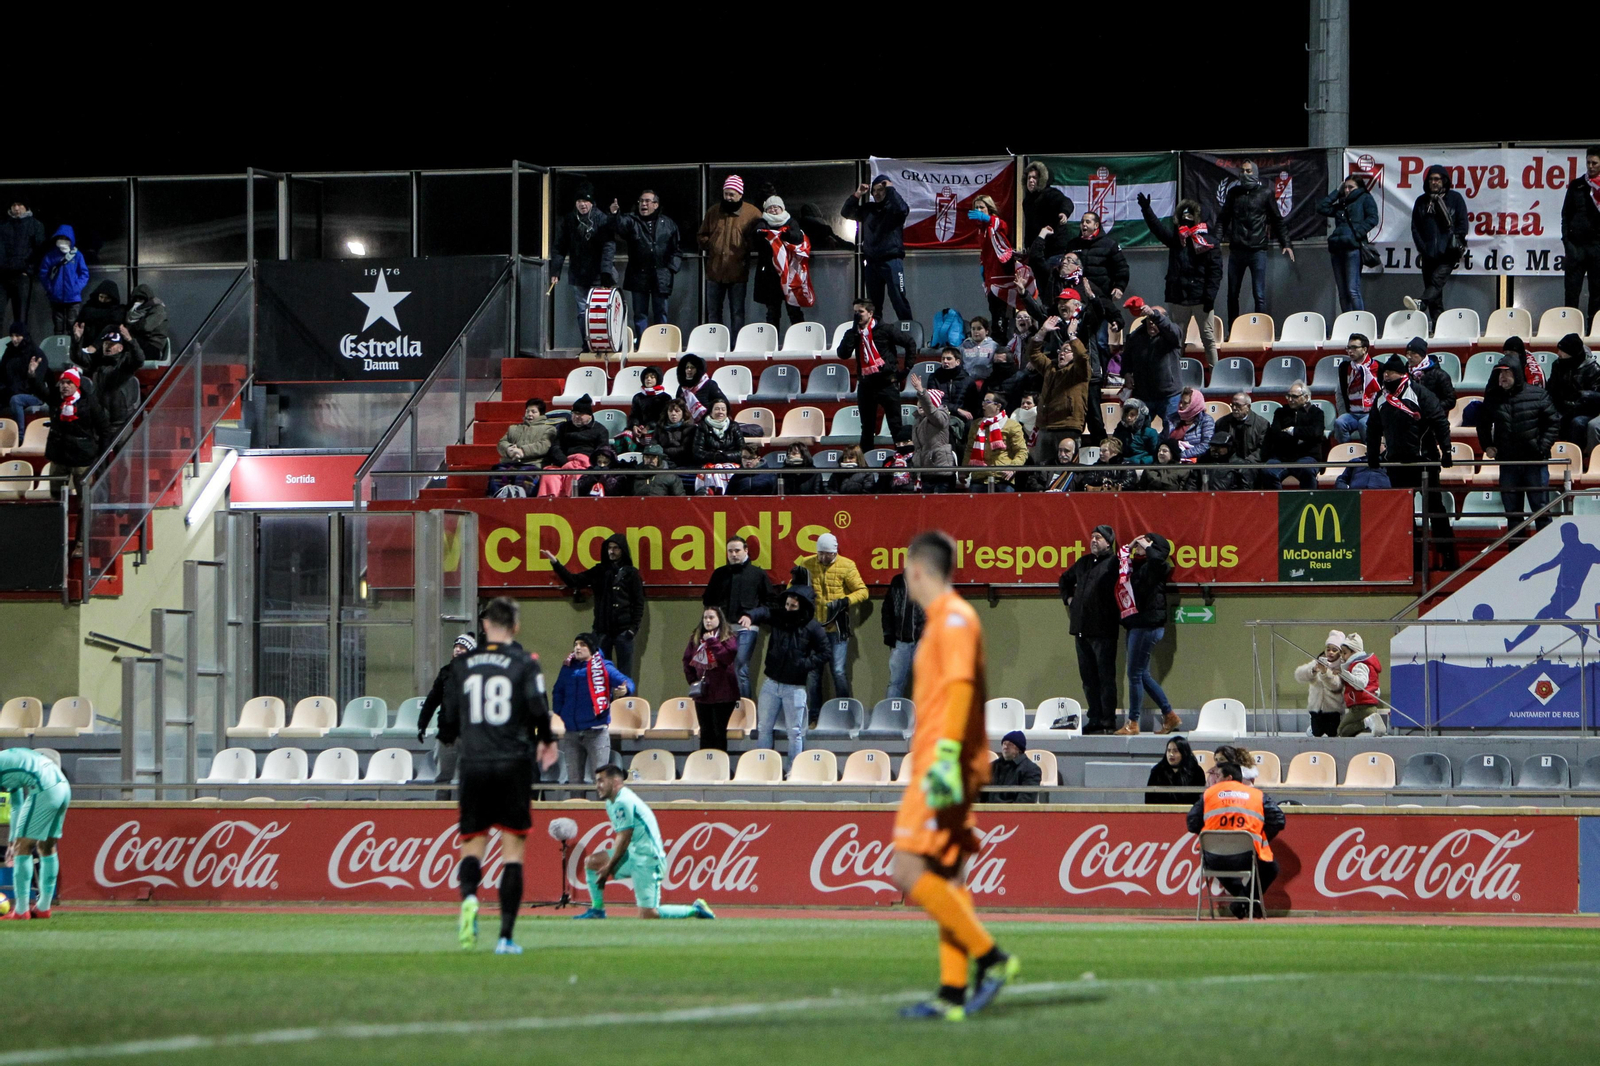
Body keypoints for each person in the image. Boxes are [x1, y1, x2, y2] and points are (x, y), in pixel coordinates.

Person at [891, 531, 1017, 1021]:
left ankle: (992, 958)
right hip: (943, 761)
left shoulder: (956, 619)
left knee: (907, 871)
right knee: (947, 875)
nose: (905, 577)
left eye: (906, 569)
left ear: (919, 570)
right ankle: (952, 992)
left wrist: (943, 758)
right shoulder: (945, 621)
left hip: (945, 766)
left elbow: (962, 690)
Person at [437, 596, 560, 953]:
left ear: (486, 626)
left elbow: (447, 719)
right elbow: (539, 708)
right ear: (516, 627)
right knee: (512, 851)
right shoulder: (525, 662)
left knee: (472, 845)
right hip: (513, 763)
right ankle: (505, 937)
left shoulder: (464, 665)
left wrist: (453, 736)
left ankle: (470, 899)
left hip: (474, 764)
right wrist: (547, 741)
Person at [576, 765, 716, 921]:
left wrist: (609, 867)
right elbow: (621, 837)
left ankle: (695, 909)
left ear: (615, 781)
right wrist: (609, 864)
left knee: (649, 915)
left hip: (648, 859)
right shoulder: (612, 802)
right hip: (632, 855)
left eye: (601, 781)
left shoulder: (623, 801)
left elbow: (625, 836)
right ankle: (597, 910)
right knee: (592, 862)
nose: (597, 786)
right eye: (596, 782)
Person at [1369, 354, 1455, 566]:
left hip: (1424, 462)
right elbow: (1373, 428)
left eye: (1390, 373)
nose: (1386, 376)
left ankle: (1449, 557)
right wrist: (1372, 454)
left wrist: (1446, 452)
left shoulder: (1420, 393)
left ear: (1402, 374)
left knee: (1435, 510)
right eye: (1385, 373)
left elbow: (1440, 422)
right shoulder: (1380, 398)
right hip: (1397, 464)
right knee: (1404, 513)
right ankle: (1413, 559)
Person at [740, 583, 828, 765]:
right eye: (787, 605)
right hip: (771, 682)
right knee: (764, 727)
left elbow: (825, 652)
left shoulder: (813, 627)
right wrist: (749, 616)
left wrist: (804, 664)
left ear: (802, 606)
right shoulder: (779, 617)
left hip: (795, 687)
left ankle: (793, 769)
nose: (788, 609)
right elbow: (763, 612)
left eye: (793, 606)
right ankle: (762, 767)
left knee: (794, 731)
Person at [1187, 760, 1285, 919]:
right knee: (1270, 868)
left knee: (1211, 860)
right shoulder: (1257, 795)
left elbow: (1192, 823)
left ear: (1228, 777)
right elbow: (1279, 819)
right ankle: (1245, 903)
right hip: (1247, 855)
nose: (1215, 779)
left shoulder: (1208, 794)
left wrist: (1215, 836)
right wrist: (1260, 836)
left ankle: (1243, 902)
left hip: (1214, 855)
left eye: (1218, 775)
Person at [1476, 354, 1561, 532]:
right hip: (1508, 463)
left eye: (1507, 373)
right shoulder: (1493, 397)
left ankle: (1545, 552)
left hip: (1534, 462)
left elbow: (1553, 422)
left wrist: (1542, 447)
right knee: (1513, 514)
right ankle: (1516, 554)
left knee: (1541, 510)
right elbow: (1482, 423)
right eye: (1500, 373)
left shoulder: (1538, 394)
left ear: (1517, 373)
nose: (1503, 377)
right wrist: (1487, 445)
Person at [542, 533, 645, 675]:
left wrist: (633, 629)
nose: (611, 551)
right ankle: (604, 698)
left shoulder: (631, 574)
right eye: (609, 548)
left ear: (623, 550)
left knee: (624, 676)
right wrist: (555, 563)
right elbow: (574, 581)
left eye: (616, 548)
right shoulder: (600, 571)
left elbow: (638, 602)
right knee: (600, 673)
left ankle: (625, 698)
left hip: (624, 631)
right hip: (602, 631)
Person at [1139, 194, 1221, 365]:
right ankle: (1176, 375)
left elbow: (1215, 272)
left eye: (1190, 217)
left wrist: (1209, 297)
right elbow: (1157, 229)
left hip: (1201, 300)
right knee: (1176, 340)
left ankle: (1216, 377)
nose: (1186, 221)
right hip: (1178, 298)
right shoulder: (1176, 241)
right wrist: (1147, 210)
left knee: (1208, 339)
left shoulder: (1209, 243)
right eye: (1183, 217)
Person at [553, 632, 635, 791]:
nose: (577, 648)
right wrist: (561, 712)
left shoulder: (604, 667)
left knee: (601, 782)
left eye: (582, 645)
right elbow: (558, 691)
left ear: (591, 648)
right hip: (571, 733)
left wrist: (626, 689)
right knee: (574, 783)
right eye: (576, 644)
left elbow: (627, 682)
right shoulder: (567, 668)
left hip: (596, 732)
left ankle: (602, 814)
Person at [796, 533, 868, 712]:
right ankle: (814, 716)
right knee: (813, 674)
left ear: (834, 552)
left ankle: (843, 713)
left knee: (838, 671)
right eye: (819, 553)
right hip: (814, 629)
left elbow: (862, 591)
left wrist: (845, 601)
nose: (822, 557)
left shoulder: (847, 565)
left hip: (837, 628)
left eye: (826, 554)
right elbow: (793, 586)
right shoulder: (806, 563)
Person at [1114, 533, 1178, 735]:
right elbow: (1121, 567)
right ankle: (1169, 715)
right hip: (1136, 624)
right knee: (1142, 674)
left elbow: (1158, 560)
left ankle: (1133, 722)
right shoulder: (1142, 566)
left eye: (1145, 542)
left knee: (1134, 674)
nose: (1140, 545)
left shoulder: (1159, 566)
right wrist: (1130, 546)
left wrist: (1148, 547)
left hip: (1147, 627)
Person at [1218, 160, 1295, 324]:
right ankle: (1233, 329)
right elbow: (1222, 219)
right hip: (1237, 250)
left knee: (1259, 294)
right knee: (1232, 293)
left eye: (1248, 171)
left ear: (1255, 173)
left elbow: (1277, 220)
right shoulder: (1234, 193)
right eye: (1243, 171)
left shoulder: (1265, 193)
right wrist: (1216, 241)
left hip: (1257, 250)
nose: (1244, 174)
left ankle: (1260, 329)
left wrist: (1286, 244)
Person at [1059, 525, 1120, 734]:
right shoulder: (1083, 562)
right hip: (1081, 629)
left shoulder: (1115, 563)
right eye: (1092, 537)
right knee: (1088, 679)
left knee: (1105, 678)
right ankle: (1094, 718)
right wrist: (1069, 599)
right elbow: (1064, 580)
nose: (1093, 541)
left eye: (1099, 537)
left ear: (1108, 542)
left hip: (1103, 630)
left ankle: (1108, 720)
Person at [703, 536, 780, 699]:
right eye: (730, 551)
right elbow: (708, 600)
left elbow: (771, 604)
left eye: (737, 550)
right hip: (723, 629)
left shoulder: (757, 574)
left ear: (746, 551)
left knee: (739, 668)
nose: (733, 554)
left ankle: (745, 710)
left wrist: (753, 616)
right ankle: (727, 709)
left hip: (747, 629)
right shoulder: (719, 574)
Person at [0, 747, 72, 919]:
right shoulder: (7, 760)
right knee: (47, 847)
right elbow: (17, 804)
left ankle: (21, 910)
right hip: (63, 788)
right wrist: (12, 840)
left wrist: (16, 843)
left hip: (44, 790)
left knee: (23, 848)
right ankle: (43, 907)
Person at [838, 298, 916, 451]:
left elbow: (909, 342)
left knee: (895, 426)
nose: (857, 315)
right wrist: (853, 332)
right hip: (866, 385)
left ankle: (901, 462)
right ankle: (866, 466)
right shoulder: (853, 333)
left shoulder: (886, 329)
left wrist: (906, 369)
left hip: (887, 383)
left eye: (860, 312)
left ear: (870, 313)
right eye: (854, 312)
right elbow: (843, 354)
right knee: (867, 428)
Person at [31, 364, 108, 503]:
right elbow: (39, 390)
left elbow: (103, 428)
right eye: (62, 383)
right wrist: (32, 375)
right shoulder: (55, 399)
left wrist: (100, 453)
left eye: (69, 383)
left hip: (81, 456)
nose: (65, 386)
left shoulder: (89, 402)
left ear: (77, 384)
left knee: (84, 497)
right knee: (56, 495)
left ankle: (84, 522)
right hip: (58, 455)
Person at [1404, 165, 1470, 323]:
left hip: (1449, 253)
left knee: (1436, 281)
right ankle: (1438, 325)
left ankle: (1421, 302)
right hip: (1428, 253)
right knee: (1434, 291)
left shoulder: (1455, 199)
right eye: (1432, 179)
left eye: (1437, 179)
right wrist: (1423, 248)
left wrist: (1454, 240)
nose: (1434, 182)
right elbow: (1415, 227)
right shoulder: (1421, 201)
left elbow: (1462, 225)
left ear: (1444, 181)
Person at [415, 633, 479, 796]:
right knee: (443, 778)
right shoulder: (445, 672)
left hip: (471, 734)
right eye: (456, 647)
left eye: (463, 647)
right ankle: (441, 815)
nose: (458, 650)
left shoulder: (479, 674)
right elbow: (432, 699)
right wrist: (422, 723)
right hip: (447, 735)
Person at [842, 174, 912, 321]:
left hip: (892, 262)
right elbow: (846, 212)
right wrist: (858, 194)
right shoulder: (868, 209)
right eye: (875, 191)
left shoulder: (894, 210)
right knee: (873, 305)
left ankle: (909, 332)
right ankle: (876, 336)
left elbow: (902, 210)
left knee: (898, 299)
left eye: (881, 190)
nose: (878, 193)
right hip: (872, 263)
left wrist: (891, 188)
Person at [611, 190, 682, 335]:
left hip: (661, 275)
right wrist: (615, 214)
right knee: (640, 313)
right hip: (638, 274)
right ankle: (642, 344)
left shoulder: (668, 224)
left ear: (656, 205)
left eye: (647, 201)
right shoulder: (632, 220)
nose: (643, 204)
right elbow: (620, 227)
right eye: (641, 201)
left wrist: (671, 269)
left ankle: (661, 343)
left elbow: (677, 250)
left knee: (661, 312)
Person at [551, 183, 618, 332]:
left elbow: (609, 246)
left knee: (601, 313)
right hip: (578, 274)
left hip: (599, 276)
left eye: (586, 201)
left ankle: (605, 347)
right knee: (583, 312)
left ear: (592, 203)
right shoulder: (569, 220)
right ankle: (587, 346)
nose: (582, 204)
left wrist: (606, 272)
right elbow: (559, 246)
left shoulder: (601, 218)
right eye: (579, 201)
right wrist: (555, 271)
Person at [699, 175, 761, 332]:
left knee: (737, 313)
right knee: (713, 313)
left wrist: (747, 246)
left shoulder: (752, 213)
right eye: (726, 193)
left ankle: (735, 348)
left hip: (738, 272)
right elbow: (701, 235)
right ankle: (715, 344)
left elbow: (759, 239)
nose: (728, 197)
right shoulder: (713, 211)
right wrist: (711, 243)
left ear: (740, 194)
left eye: (732, 194)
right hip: (714, 272)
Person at [1026, 316, 1091, 463]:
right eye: (1060, 350)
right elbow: (1033, 354)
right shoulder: (1051, 368)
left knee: (1066, 471)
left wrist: (1072, 336)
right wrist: (1042, 331)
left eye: (1067, 351)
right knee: (1042, 470)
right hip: (1045, 427)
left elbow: (1082, 356)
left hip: (1068, 426)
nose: (1061, 353)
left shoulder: (1080, 371)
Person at [970, 194, 1027, 343]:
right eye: (976, 208)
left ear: (989, 209)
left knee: (1000, 311)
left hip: (1000, 274)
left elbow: (1003, 227)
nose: (979, 210)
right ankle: (1000, 340)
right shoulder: (980, 230)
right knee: (994, 309)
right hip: (990, 274)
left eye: (982, 207)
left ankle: (1001, 341)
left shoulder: (994, 224)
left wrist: (988, 219)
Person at [1119, 299, 1184, 430]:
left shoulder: (1171, 335)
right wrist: (1126, 374)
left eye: (1155, 321)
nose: (1151, 324)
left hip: (1169, 395)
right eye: (1149, 320)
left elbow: (1175, 333)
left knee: (1171, 432)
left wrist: (1155, 314)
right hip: (1144, 395)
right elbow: (1126, 359)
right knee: (1138, 431)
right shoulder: (1136, 336)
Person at [72, 324, 144, 442]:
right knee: (100, 457)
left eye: (111, 344)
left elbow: (139, 359)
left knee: (123, 457)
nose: (108, 347)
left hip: (121, 422)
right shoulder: (96, 361)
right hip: (101, 421)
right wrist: (77, 341)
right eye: (106, 344)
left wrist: (130, 341)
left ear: (120, 348)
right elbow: (77, 357)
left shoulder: (125, 362)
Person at [1319, 175, 1378, 313]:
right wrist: (1336, 192)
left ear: (1359, 188)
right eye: (1345, 187)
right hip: (1337, 248)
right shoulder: (1341, 203)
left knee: (1353, 289)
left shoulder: (1365, 198)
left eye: (1350, 187)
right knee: (1342, 291)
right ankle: (1347, 322)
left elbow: (1373, 218)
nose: (1347, 190)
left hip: (1353, 248)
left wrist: (1357, 233)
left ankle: (1359, 322)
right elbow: (1322, 207)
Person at [683, 607, 739, 751]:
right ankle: (705, 766)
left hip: (724, 694)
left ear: (719, 619)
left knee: (718, 732)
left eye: (711, 617)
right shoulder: (696, 637)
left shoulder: (728, 637)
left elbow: (727, 657)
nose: (707, 621)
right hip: (703, 694)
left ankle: (719, 767)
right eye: (705, 617)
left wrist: (713, 641)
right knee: (705, 732)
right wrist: (693, 681)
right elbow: (687, 660)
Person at [752, 195, 810, 328]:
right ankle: (772, 342)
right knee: (772, 311)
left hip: (789, 273)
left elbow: (798, 237)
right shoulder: (762, 223)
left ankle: (799, 340)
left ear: (782, 208)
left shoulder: (791, 222)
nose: (773, 210)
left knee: (794, 310)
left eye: (776, 207)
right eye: (770, 208)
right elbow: (755, 236)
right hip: (770, 275)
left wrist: (786, 235)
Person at [1259, 380, 1325, 490]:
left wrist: (1292, 431)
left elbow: (1316, 433)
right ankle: (1276, 504)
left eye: (1294, 396)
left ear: (1306, 397)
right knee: (1268, 472)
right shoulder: (1280, 412)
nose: (1290, 399)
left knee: (1307, 471)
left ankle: (1307, 503)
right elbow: (1275, 434)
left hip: (1307, 456)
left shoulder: (1316, 413)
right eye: (1288, 396)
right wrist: (1300, 439)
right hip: (1282, 457)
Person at [1561, 148, 1600, 322]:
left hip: (1597, 248)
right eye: (1588, 163)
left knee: (1597, 293)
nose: (1590, 166)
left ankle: (1594, 331)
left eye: (1595, 163)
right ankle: (1570, 329)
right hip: (1576, 248)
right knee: (1571, 292)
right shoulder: (1577, 185)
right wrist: (1567, 243)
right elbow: (1565, 215)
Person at [1062, 211, 1129, 306]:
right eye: (1082, 222)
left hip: (1101, 296)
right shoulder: (1073, 244)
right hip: (1076, 296)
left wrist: (1119, 287)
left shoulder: (1109, 244)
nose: (1084, 224)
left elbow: (1122, 268)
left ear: (1096, 225)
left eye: (1087, 222)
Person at [1549, 333, 1600, 448]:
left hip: (1585, 410)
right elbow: (1551, 389)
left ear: (1572, 353)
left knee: (1577, 423)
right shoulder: (1557, 365)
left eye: (1562, 351)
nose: (1559, 354)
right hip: (1562, 406)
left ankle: (1574, 456)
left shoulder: (1592, 369)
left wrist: (1584, 396)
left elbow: (1597, 399)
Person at [1294, 630, 1348, 738]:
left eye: (1334, 650)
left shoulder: (1342, 667)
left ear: (1340, 652)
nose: (1330, 652)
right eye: (1328, 649)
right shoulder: (1317, 662)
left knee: (1333, 734)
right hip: (1316, 709)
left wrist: (1325, 673)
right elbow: (1298, 675)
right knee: (1317, 733)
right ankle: (1312, 729)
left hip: (1333, 710)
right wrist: (1313, 670)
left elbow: (1335, 685)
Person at [882, 568, 926, 700]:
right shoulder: (897, 581)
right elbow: (887, 609)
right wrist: (888, 633)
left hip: (922, 641)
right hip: (900, 641)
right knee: (896, 682)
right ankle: (891, 716)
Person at [1333, 631, 1386, 737]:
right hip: (1366, 705)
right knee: (1343, 731)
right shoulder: (1364, 664)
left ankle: (1368, 721)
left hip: (1362, 707)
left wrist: (1343, 673)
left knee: (1342, 732)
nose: (1342, 656)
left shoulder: (1359, 665)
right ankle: (1369, 721)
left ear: (1354, 652)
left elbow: (1360, 684)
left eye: (1344, 653)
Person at [909, 374, 957, 491]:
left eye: (923, 401)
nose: (920, 404)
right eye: (919, 401)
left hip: (941, 471)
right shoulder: (917, 421)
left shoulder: (941, 416)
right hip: (926, 472)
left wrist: (921, 392)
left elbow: (931, 411)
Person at [38, 225, 89, 333]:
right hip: (56, 297)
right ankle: (59, 348)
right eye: (60, 238)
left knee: (73, 326)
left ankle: (72, 348)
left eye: (66, 238)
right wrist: (50, 288)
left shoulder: (77, 255)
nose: (63, 241)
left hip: (73, 298)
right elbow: (43, 273)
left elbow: (84, 274)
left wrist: (76, 288)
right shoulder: (50, 256)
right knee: (58, 326)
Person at [0, 203, 44, 326]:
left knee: (21, 315)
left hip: (22, 275)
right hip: (3, 276)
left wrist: (29, 269)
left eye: (20, 204)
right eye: (13, 205)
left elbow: (39, 250)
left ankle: (20, 343)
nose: (16, 208)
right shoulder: (3, 226)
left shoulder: (35, 225)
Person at [1021, 161, 1074, 260]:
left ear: (1042, 180)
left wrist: (1064, 213)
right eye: (1029, 178)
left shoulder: (1050, 193)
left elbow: (1066, 202)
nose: (1031, 180)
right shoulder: (1027, 201)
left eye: (1035, 178)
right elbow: (1029, 226)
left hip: (1055, 250)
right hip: (1037, 250)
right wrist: (1027, 245)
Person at [1333, 333, 1380, 444]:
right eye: (1348, 348)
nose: (1350, 351)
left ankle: (1370, 455)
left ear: (1364, 349)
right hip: (1352, 413)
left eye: (1354, 347)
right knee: (1340, 422)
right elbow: (1339, 393)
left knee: (1364, 424)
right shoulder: (1344, 368)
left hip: (1371, 413)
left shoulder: (1378, 367)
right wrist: (1343, 412)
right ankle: (1347, 453)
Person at [2, 324, 47, 429]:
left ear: (24, 336)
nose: (14, 339)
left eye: (18, 336)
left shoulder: (36, 353)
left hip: (34, 394)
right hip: (12, 391)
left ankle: (20, 435)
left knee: (16, 400)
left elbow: (38, 383)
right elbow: (2, 374)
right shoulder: (9, 352)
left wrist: (32, 373)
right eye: (12, 336)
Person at [1145, 736, 1206, 806]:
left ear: (1184, 752)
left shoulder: (1196, 771)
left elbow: (1199, 799)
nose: (1171, 754)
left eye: (1175, 751)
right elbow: (1149, 798)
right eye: (1168, 750)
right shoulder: (1157, 771)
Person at [986, 731, 1041, 804]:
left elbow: (1026, 800)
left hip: (1013, 813)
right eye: (1004, 744)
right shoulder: (992, 767)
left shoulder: (1031, 769)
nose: (1005, 747)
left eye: (1010, 744)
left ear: (1019, 749)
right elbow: (980, 794)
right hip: (988, 812)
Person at [675, 352, 729, 423]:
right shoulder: (682, 387)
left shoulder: (710, 384)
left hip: (708, 424)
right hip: (686, 424)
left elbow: (724, 404)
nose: (689, 370)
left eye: (692, 367)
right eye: (687, 367)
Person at [692, 399, 744, 469]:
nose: (720, 412)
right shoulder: (702, 426)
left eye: (723, 409)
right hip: (708, 466)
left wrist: (725, 456)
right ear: (710, 412)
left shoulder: (734, 426)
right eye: (717, 409)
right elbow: (698, 452)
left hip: (731, 465)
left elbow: (742, 451)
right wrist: (715, 457)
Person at [1165, 387, 1214, 460]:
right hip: (1170, 459)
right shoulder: (1172, 418)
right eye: (1181, 402)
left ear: (1195, 404)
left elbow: (1206, 445)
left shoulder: (1206, 420)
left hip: (1193, 461)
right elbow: (1163, 438)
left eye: (1185, 403)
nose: (1181, 405)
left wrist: (1180, 455)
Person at [627, 365, 671, 444]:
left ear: (658, 379)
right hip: (639, 428)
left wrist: (649, 427)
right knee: (626, 436)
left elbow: (663, 418)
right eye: (646, 377)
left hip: (657, 428)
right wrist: (634, 425)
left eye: (652, 377)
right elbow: (634, 415)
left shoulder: (665, 398)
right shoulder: (637, 397)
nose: (648, 379)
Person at [124, 283, 168, 361]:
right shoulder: (133, 311)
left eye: (141, 299)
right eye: (136, 299)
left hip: (153, 346)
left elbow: (146, 327)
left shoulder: (158, 309)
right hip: (141, 342)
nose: (138, 302)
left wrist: (128, 329)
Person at [557, 395, 609, 460]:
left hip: (589, 465)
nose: (576, 416)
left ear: (589, 415)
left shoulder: (600, 430)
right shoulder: (564, 427)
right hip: (566, 463)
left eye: (580, 414)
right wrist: (564, 462)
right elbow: (556, 447)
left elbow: (601, 451)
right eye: (574, 413)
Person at [1114, 398, 1161, 464]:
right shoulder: (1120, 430)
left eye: (1132, 415)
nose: (1128, 418)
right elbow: (1114, 448)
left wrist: (1141, 462)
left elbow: (1155, 455)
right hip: (1123, 465)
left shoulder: (1150, 433)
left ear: (1140, 415)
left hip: (1142, 467)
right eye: (1126, 414)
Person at [657, 399, 697, 471]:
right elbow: (654, 443)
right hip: (663, 460)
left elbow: (685, 449)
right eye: (670, 411)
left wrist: (662, 451)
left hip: (683, 462)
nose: (673, 414)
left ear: (683, 412)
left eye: (677, 411)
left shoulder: (690, 427)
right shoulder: (660, 426)